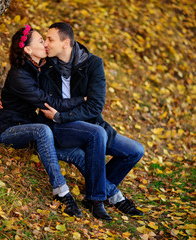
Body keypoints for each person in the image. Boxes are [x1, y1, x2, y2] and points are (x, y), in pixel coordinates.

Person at [37, 22, 145, 218]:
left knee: (135, 151)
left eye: (50, 39)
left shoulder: (93, 64)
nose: (46, 43)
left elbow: (95, 106)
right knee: (97, 134)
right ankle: (96, 198)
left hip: (88, 123)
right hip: (60, 127)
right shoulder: (47, 66)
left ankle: (99, 185)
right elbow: (36, 96)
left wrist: (64, 114)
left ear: (65, 42)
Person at [0, 25, 86, 217]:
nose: (46, 44)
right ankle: (62, 192)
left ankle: (109, 193)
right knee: (43, 130)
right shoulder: (19, 75)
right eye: (41, 41)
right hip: (7, 129)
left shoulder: (38, 68)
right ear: (28, 50)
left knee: (77, 154)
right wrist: (83, 100)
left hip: (27, 126)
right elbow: (51, 103)